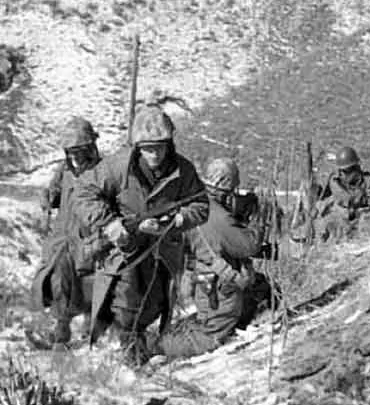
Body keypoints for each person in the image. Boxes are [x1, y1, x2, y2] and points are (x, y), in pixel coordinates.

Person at [74, 104, 209, 364]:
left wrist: (178, 220)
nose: (154, 154)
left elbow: (201, 205)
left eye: (159, 147)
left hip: (163, 252)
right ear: (138, 147)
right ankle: (126, 362)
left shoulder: (184, 170)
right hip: (125, 249)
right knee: (125, 304)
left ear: (169, 144)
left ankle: (135, 349)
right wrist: (111, 223)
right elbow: (84, 193)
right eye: (147, 148)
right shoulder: (117, 167)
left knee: (154, 306)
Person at [156, 158, 272, 359]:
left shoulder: (199, 205)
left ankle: (168, 335)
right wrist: (257, 221)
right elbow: (248, 246)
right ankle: (152, 348)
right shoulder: (217, 216)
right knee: (210, 336)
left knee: (259, 288)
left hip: (207, 280)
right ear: (226, 190)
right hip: (219, 288)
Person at [27, 117, 103, 348]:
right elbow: (54, 191)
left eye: (80, 151)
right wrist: (48, 197)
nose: (76, 157)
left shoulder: (104, 170)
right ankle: (58, 329)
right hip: (62, 237)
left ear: (91, 147)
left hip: (88, 237)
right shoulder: (65, 170)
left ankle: (69, 333)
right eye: (71, 152)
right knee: (51, 280)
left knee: (74, 281)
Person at [311, 146, 370, 241]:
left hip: (360, 219)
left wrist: (362, 203)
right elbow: (323, 197)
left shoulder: (367, 180)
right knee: (324, 224)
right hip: (339, 218)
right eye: (342, 171)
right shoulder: (334, 180)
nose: (343, 174)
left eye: (349, 170)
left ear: (356, 167)